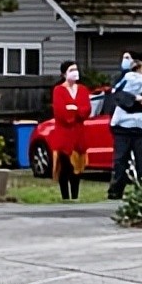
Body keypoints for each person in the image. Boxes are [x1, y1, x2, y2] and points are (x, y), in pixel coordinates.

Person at [106, 59, 142, 200]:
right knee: (120, 161)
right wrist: (138, 99)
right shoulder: (124, 82)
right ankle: (116, 191)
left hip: (140, 130)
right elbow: (119, 97)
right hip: (123, 129)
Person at [50, 61, 91, 201]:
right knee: (65, 167)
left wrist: (75, 110)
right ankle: (65, 196)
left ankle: (75, 196)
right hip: (64, 134)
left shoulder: (83, 90)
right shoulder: (58, 90)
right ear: (64, 74)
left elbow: (86, 110)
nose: (75, 72)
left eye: (76, 69)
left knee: (77, 168)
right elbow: (61, 112)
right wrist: (74, 112)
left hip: (79, 133)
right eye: (71, 69)